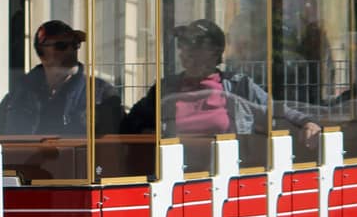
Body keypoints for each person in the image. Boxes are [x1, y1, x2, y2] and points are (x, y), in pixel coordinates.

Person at [123, 18, 321, 144]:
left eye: (195, 47)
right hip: (174, 174)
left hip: (224, 175)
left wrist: (307, 122)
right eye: (183, 46)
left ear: (215, 52)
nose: (186, 53)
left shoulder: (238, 86)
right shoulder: (166, 88)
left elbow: (275, 110)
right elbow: (131, 125)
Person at [0, 20, 122, 137]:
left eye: (75, 44)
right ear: (42, 55)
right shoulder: (18, 95)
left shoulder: (101, 94)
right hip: (26, 164)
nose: (71, 51)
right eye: (61, 46)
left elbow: (117, 146)